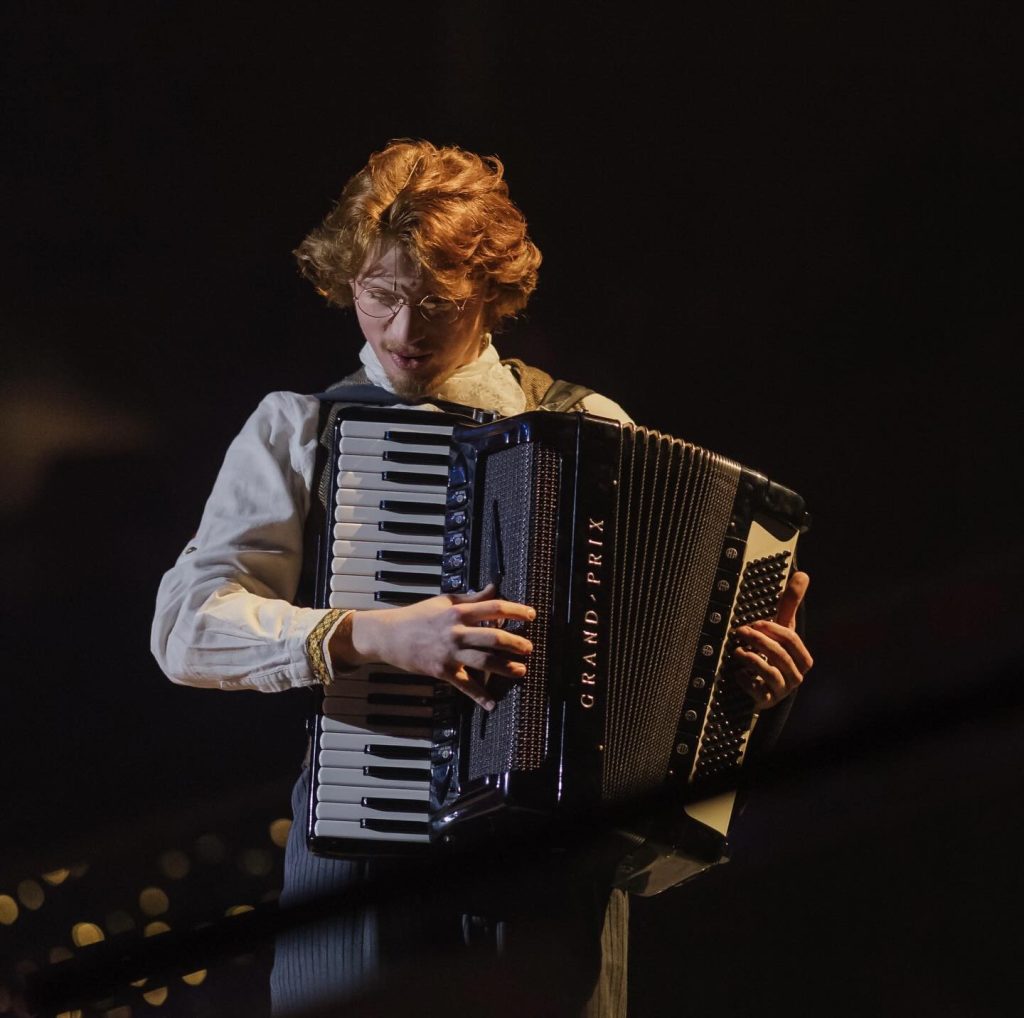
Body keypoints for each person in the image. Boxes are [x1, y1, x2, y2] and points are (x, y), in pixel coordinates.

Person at [151, 138, 813, 1017]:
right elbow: (187, 626)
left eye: (437, 302)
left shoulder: (590, 427)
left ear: (492, 296)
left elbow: (652, 673)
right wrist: (379, 634)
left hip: (553, 882)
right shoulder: (298, 430)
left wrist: (744, 695)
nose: (402, 332)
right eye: (379, 296)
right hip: (362, 872)